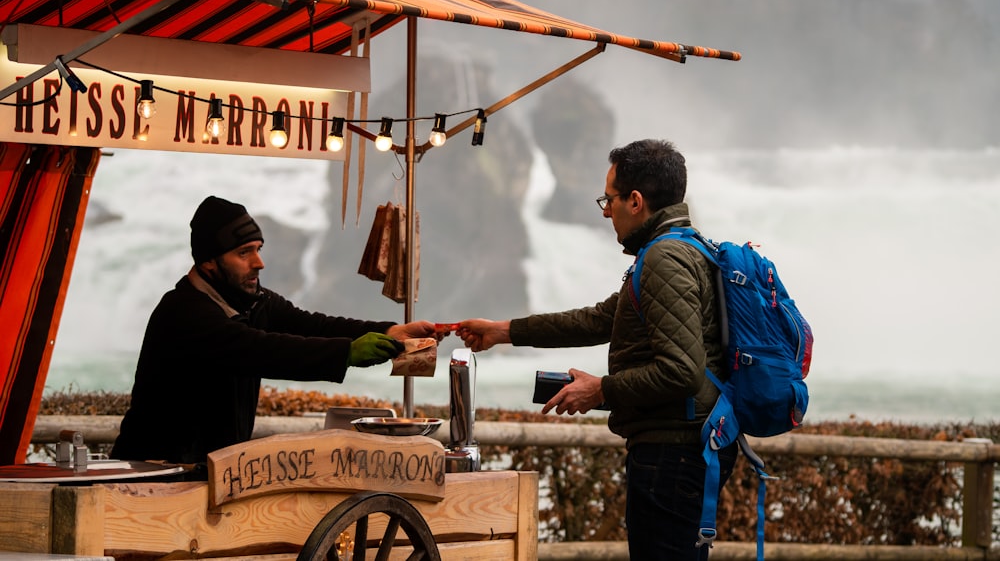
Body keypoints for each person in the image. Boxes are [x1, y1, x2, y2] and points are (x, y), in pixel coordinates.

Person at [457, 139, 737, 560]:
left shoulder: (665, 259)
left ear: (636, 201)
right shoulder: (684, 250)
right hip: (684, 448)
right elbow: (598, 320)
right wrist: (504, 331)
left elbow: (681, 371)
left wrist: (600, 389)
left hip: (672, 454)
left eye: (609, 200)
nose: (606, 212)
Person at [111, 195, 441, 470]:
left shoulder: (253, 301)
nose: (259, 262)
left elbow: (312, 324)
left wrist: (389, 329)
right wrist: (347, 354)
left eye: (258, 248)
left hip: (210, 471)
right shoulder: (183, 312)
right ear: (209, 262)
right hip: (154, 471)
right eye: (244, 253)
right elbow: (262, 350)